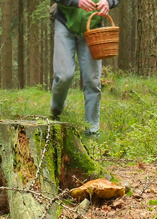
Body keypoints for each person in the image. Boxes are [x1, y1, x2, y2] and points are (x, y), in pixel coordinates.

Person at [50, 0, 120, 136]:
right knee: (64, 75)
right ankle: (56, 111)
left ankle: (92, 131)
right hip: (65, 23)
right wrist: (77, 2)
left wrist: (108, 3)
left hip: (93, 28)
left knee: (92, 80)